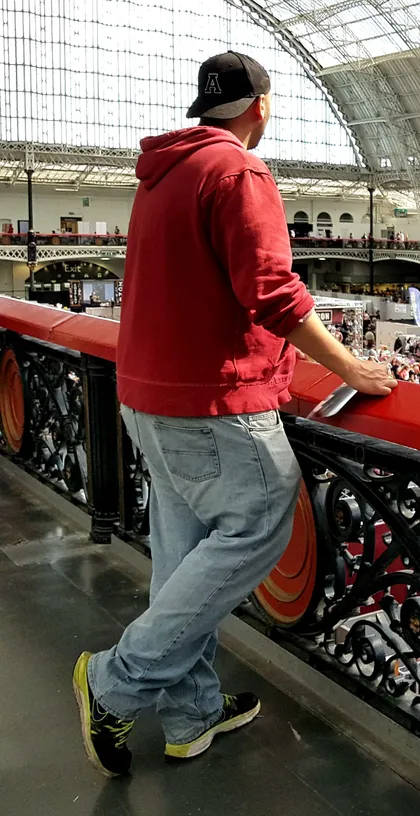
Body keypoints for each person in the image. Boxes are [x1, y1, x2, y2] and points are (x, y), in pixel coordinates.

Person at [73, 52, 398, 778]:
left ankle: (191, 715)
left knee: (184, 557)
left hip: (146, 396)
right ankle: (115, 682)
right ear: (262, 106)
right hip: (212, 400)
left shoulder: (163, 173)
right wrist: (349, 367)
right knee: (259, 523)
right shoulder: (238, 172)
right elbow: (272, 292)